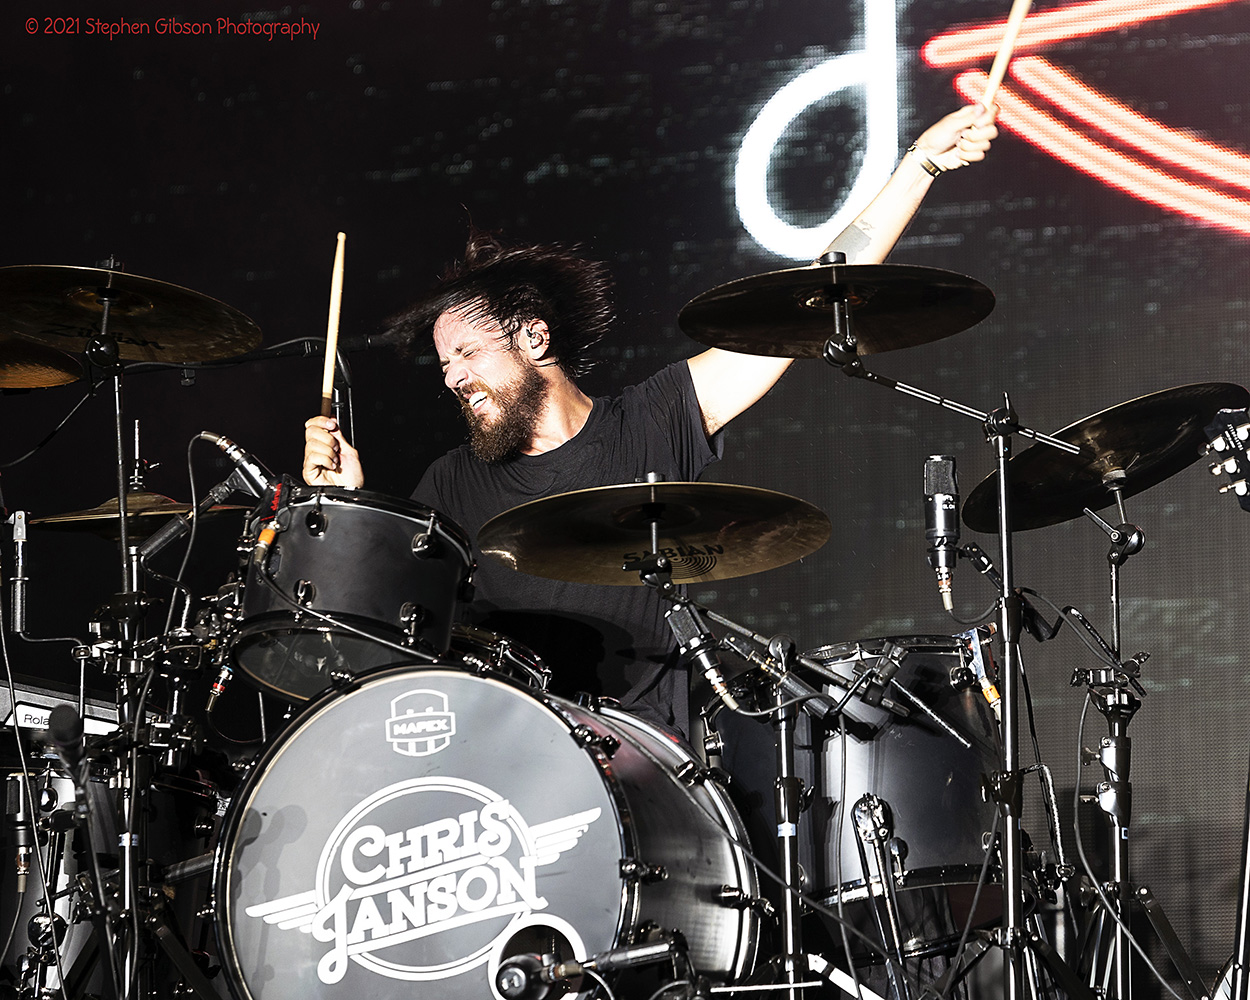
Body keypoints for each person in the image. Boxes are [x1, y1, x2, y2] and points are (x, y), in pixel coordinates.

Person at [303, 103, 998, 737]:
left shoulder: (654, 420)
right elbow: (385, 633)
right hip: (511, 761)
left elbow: (807, 303)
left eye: (466, 353)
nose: (452, 377)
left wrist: (919, 166)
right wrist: (345, 513)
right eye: (443, 365)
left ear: (534, 338)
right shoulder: (449, 484)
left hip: (655, 760)